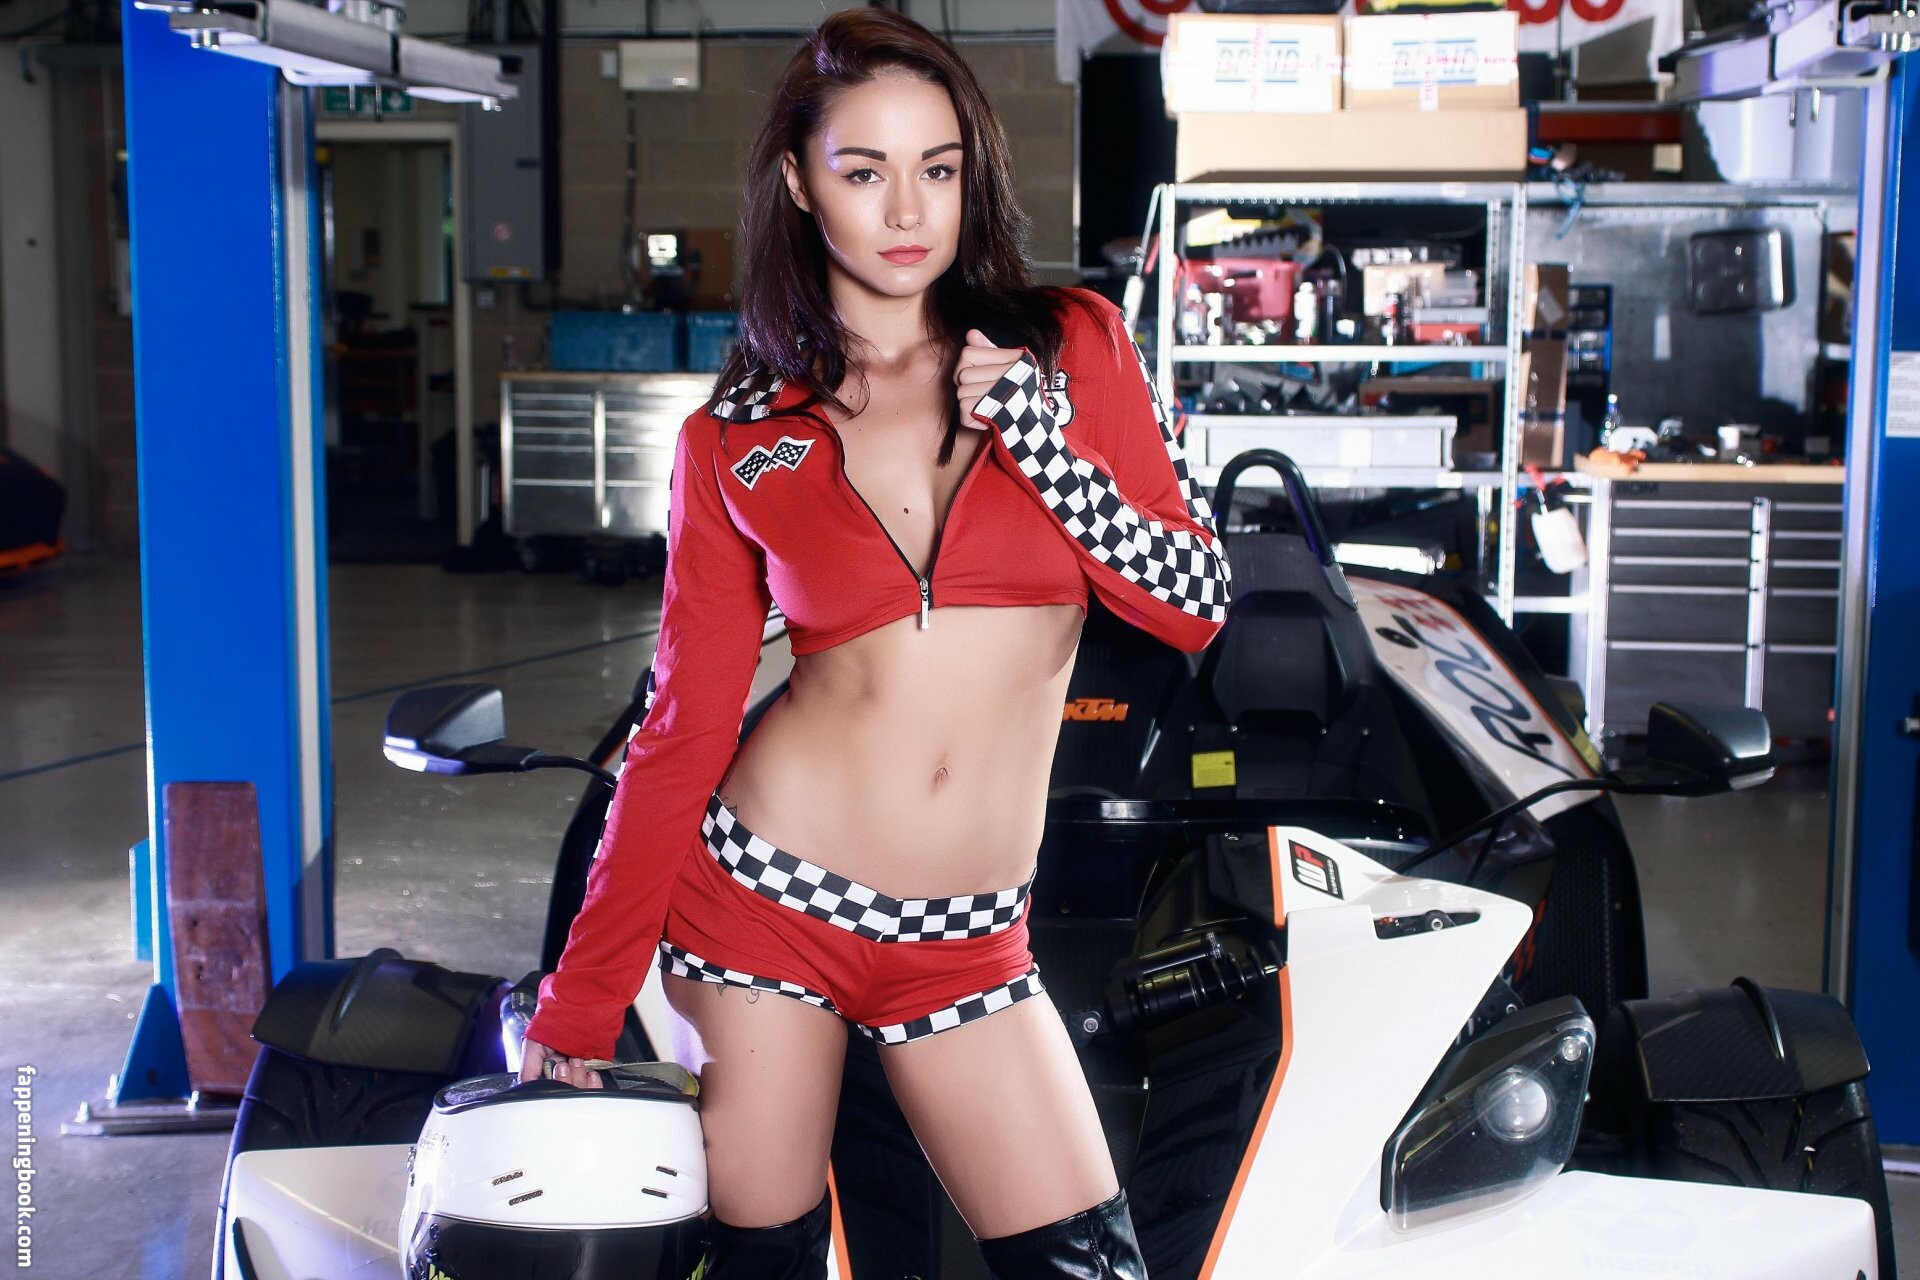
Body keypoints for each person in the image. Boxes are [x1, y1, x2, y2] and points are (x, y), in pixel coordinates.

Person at [517, 8, 1231, 1276]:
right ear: (801, 184)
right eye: (864, 171)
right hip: (765, 908)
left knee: (1091, 1261)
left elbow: (1194, 599)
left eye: (937, 168)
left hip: (968, 937)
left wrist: (1042, 445)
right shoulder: (738, 435)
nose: (909, 210)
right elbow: (682, 726)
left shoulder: (1073, 344)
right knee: (771, 1262)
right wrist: (580, 995)